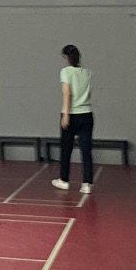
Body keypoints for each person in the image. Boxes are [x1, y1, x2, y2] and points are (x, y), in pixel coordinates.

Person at [52, 43, 94, 196]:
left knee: (66, 148)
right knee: (86, 150)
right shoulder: (87, 72)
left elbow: (67, 93)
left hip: (72, 113)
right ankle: (87, 183)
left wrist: (66, 114)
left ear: (65, 57)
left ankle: (64, 179)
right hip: (87, 114)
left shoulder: (65, 72)